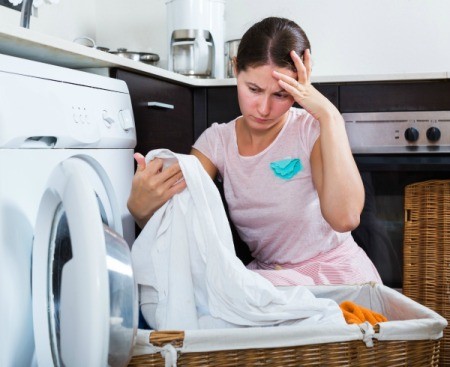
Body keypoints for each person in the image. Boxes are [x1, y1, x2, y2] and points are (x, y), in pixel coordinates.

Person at [127, 16, 382, 286]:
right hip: (271, 279)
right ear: (236, 68)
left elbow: (345, 218)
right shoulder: (217, 142)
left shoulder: (310, 130)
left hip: (335, 274)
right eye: (254, 89)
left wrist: (330, 115)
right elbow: (174, 226)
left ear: (300, 88)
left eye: (281, 95)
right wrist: (139, 208)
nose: (263, 109)